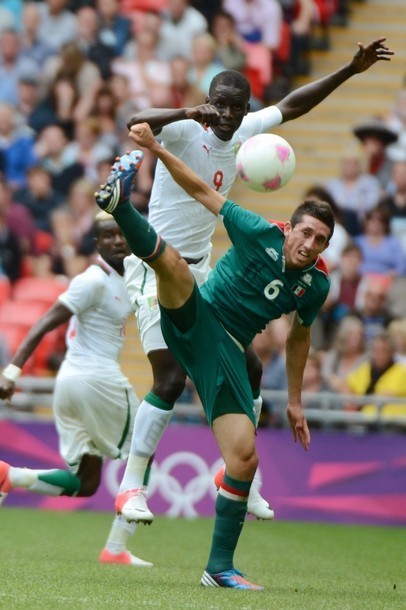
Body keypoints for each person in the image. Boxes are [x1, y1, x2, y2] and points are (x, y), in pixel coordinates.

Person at [117, 37, 393, 526]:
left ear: (245, 109)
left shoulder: (247, 130)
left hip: (198, 266)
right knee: (171, 377)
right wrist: (189, 109)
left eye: (235, 108)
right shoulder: (184, 128)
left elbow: (293, 104)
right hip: (155, 264)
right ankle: (131, 485)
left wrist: (350, 69)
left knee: (250, 369)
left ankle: (243, 478)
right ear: (209, 102)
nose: (226, 115)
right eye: (218, 105)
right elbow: (135, 120)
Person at [94, 126, 335, 589]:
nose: (309, 244)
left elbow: (300, 339)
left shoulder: (316, 286)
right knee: (175, 266)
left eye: (320, 239)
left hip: (223, 353)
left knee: (243, 459)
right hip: (197, 317)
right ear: (290, 226)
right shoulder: (258, 230)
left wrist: (297, 400)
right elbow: (203, 190)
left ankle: (219, 569)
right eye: (305, 232)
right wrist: (158, 149)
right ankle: (121, 206)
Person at [0, 211, 152, 568]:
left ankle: (11, 476)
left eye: (121, 233)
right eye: (108, 235)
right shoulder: (92, 280)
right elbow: (45, 320)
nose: (117, 240)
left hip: (71, 385)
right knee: (147, 443)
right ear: (97, 243)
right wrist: (12, 369)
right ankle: (116, 547)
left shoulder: (124, 276)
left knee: (86, 483)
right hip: (95, 379)